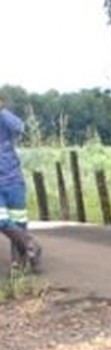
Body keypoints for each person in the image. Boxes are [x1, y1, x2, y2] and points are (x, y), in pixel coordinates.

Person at [0, 98, 41, 272]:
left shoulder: (5, 119)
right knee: (1, 220)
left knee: (18, 221)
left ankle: (20, 263)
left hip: (12, 178)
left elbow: (20, 127)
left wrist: (2, 111)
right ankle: (29, 243)